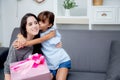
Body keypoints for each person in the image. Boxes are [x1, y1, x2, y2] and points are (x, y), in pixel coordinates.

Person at [14, 11, 71, 80]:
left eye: (43, 22)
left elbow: (41, 40)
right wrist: (20, 37)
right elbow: (24, 31)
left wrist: (25, 43)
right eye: (39, 21)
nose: (39, 23)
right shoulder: (36, 32)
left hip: (62, 61)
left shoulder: (52, 32)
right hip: (49, 65)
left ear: (49, 25)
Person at [4, 13, 60, 80]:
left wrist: (48, 75)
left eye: (36, 23)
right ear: (25, 28)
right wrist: (20, 37)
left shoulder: (41, 36)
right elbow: (8, 68)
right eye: (30, 24)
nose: (34, 26)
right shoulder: (17, 45)